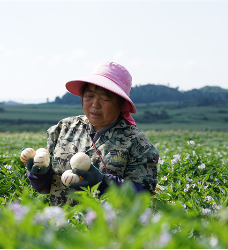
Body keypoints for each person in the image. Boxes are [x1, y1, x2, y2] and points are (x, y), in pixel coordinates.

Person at [25, 61, 159, 206]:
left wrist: (103, 182)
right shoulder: (64, 128)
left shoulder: (137, 143)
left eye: (105, 98)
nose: (95, 104)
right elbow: (46, 187)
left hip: (107, 227)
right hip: (59, 224)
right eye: (89, 95)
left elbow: (143, 195)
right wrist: (39, 175)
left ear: (121, 103)